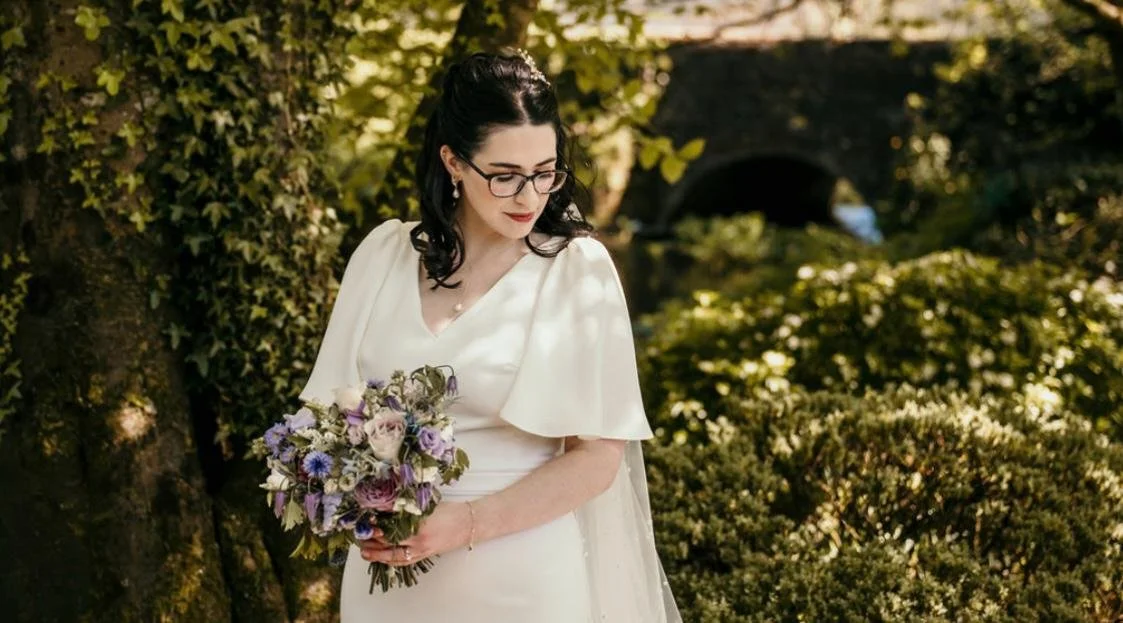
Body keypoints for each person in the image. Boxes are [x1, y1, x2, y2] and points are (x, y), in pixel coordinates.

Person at [298, 50, 682, 623]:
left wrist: (465, 523)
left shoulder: (576, 272)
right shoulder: (383, 255)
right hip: (387, 585)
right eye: (504, 177)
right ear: (454, 162)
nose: (530, 197)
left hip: (519, 580)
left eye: (545, 172)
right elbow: (323, 424)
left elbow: (597, 460)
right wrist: (349, 495)